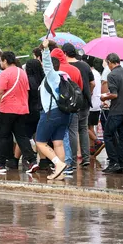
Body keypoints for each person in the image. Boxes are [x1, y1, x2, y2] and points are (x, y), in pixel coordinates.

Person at [0, 51, 34, 174]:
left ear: (4, 61)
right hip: (22, 109)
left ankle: (0, 164)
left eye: (1, 61)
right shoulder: (22, 72)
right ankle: (32, 161)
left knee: (2, 136)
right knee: (21, 136)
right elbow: (27, 91)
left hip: (7, 108)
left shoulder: (5, 74)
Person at [34, 40, 70, 179]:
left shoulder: (52, 75)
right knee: (58, 143)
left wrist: (46, 48)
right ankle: (60, 173)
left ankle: (58, 164)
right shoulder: (65, 76)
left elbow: (47, 64)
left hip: (51, 113)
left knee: (40, 142)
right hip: (64, 113)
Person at [101, 52, 123, 174]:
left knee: (108, 135)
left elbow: (114, 94)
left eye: (108, 63)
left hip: (117, 110)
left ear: (109, 62)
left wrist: (104, 98)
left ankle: (113, 162)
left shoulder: (111, 75)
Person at [62, 43, 93, 169]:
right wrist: (88, 93)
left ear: (64, 53)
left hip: (71, 103)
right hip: (84, 101)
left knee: (72, 131)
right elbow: (93, 83)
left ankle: (73, 159)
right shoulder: (85, 65)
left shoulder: (66, 67)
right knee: (83, 129)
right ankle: (86, 158)